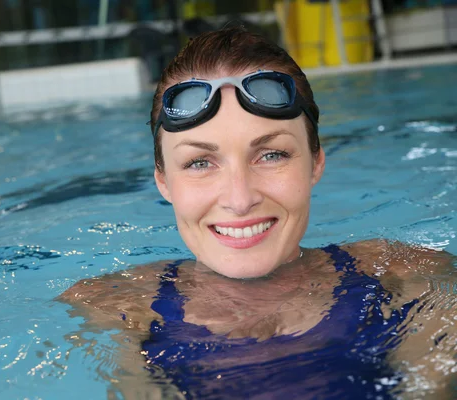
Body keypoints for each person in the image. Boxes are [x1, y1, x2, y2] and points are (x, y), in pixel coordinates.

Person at [58, 27, 456, 399]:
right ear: (163, 181)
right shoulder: (117, 309)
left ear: (316, 162)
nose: (239, 198)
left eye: (271, 155)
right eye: (199, 162)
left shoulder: (407, 277)